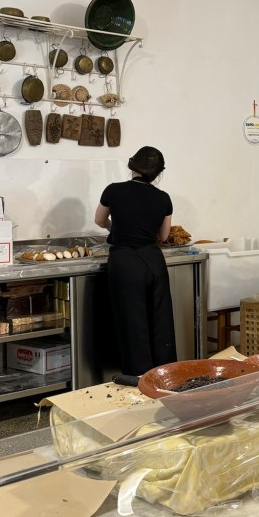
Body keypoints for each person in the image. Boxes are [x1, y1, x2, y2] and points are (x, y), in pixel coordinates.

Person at [94, 146, 177, 375]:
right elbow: (163, 236)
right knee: (160, 319)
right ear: (158, 173)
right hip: (153, 261)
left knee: (131, 320)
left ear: (132, 166)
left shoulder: (113, 190)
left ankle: (137, 376)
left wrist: (115, 226)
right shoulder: (163, 198)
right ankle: (163, 374)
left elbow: (99, 220)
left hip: (125, 262)